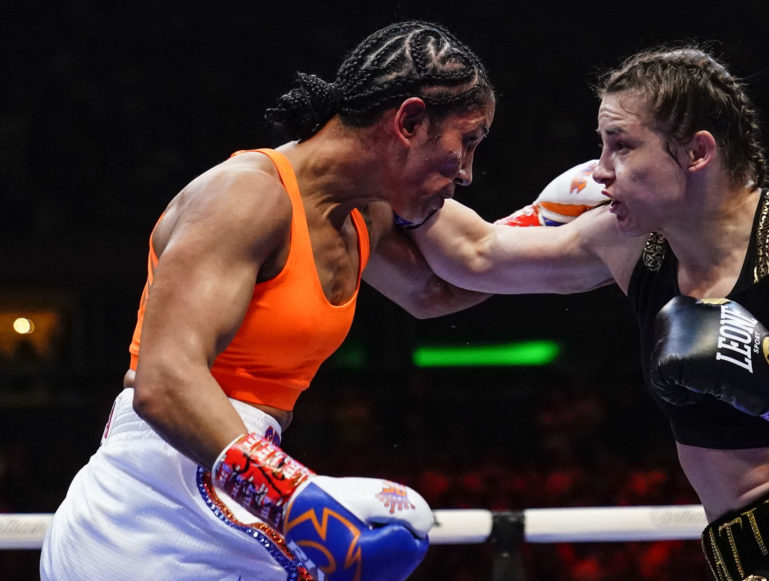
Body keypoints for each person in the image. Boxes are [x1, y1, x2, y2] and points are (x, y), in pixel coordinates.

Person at [408, 44, 769, 579]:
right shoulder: (632, 242)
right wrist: (385, 174)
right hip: (752, 561)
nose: (599, 171)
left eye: (621, 146)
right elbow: (475, 256)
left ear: (696, 153)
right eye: (602, 145)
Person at [41, 20, 495, 581]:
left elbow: (441, 287)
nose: (469, 172)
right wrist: (297, 503)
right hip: (151, 498)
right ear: (408, 121)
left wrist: (619, 239)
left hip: (236, 475)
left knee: (407, 525)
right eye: (467, 142)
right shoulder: (245, 195)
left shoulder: (361, 213)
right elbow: (162, 381)